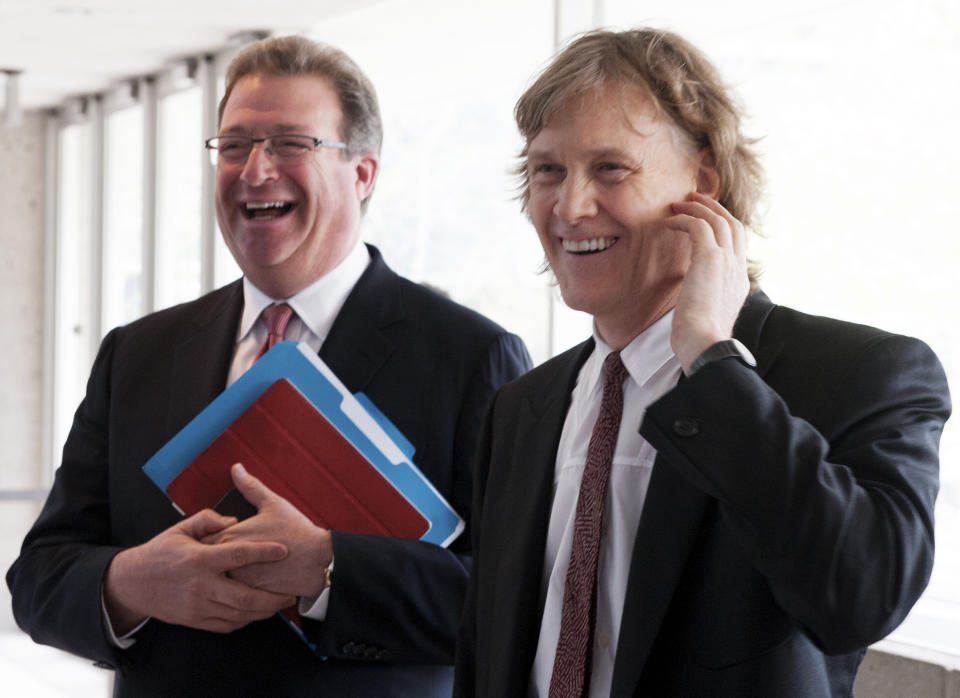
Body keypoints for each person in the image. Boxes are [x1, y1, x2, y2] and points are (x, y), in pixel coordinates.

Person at [8, 36, 531, 697]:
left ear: (363, 173)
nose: (254, 169)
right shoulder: (135, 353)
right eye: (234, 145)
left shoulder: (471, 356)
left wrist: (331, 570)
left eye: (290, 143)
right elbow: (40, 580)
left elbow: (513, 602)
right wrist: (131, 584)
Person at [454, 27, 951, 698]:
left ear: (704, 182)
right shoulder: (523, 407)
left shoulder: (864, 375)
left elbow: (859, 599)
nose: (570, 207)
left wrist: (714, 363)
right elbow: (485, 660)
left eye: (610, 168)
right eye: (548, 170)